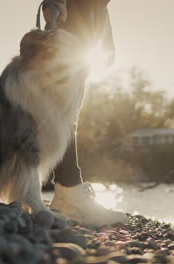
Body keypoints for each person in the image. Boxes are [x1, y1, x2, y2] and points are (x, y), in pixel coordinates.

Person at [39, 0, 127, 225]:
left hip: (90, 16)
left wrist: (105, 32)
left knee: (67, 110)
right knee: (62, 109)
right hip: (75, 13)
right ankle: (70, 193)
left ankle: (65, 195)